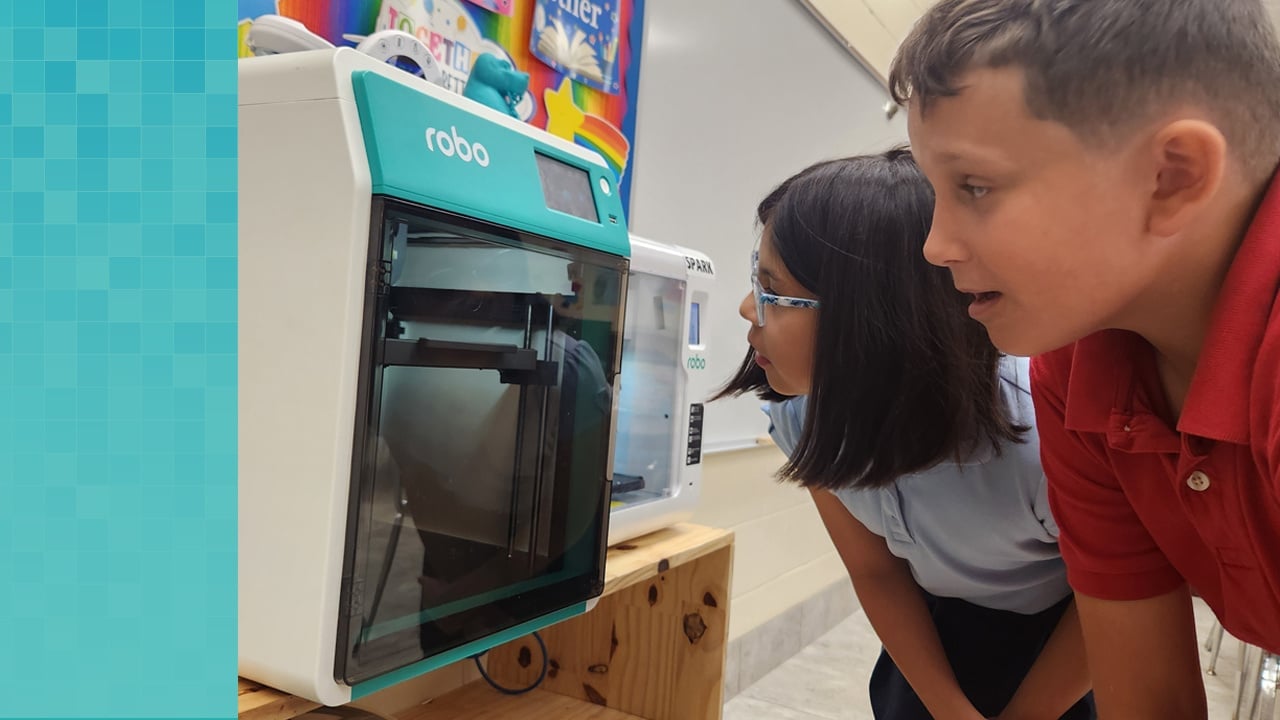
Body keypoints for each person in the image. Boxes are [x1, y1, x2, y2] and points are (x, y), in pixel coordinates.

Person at [889, 1, 1280, 716]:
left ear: (1173, 177)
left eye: (974, 186)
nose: (935, 244)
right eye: (935, 191)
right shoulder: (1077, 373)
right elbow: (1149, 697)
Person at [716, 149, 1094, 720]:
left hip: (1067, 633)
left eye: (773, 292)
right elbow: (876, 569)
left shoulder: (1043, 439)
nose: (749, 309)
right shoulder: (799, 413)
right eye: (756, 280)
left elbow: (1113, 601)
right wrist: (948, 709)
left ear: (875, 317)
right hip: (928, 623)